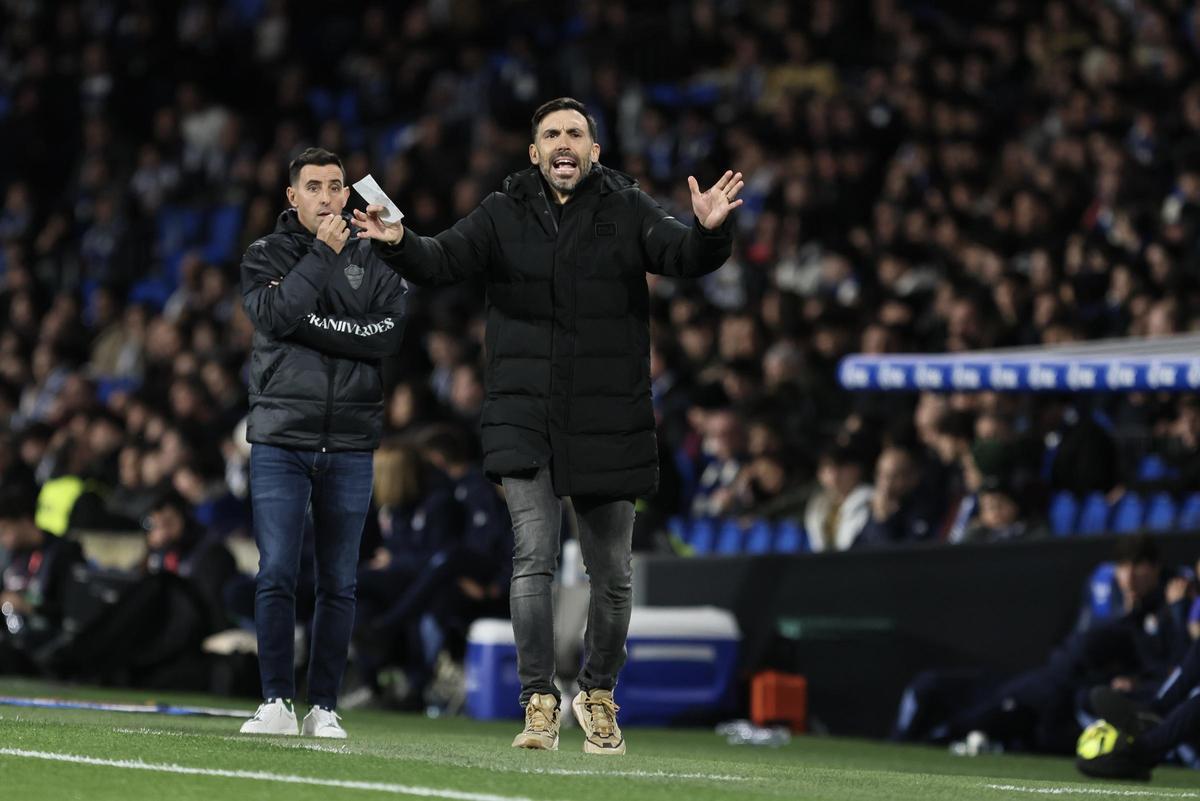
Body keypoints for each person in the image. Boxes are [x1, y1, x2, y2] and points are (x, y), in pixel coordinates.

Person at [354, 97, 742, 754]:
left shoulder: (626, 206)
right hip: (523, 414)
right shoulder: (502, 212)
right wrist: (398, 242)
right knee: (532, 559)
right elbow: (442, 257)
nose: (564, 142)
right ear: (534, 153)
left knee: (611, 572)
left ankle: (597, 692)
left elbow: (681, 255)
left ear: (594, 150)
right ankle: (539, 699)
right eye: (551, 134)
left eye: (576, 133)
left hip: (607, 416)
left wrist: (707, 231)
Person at [238, 147, 408, 738]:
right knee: (277, 571)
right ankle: (277, 702)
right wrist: (322, 257)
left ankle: (325, 707)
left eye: (336, 186)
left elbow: (388, 334)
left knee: (341, 580)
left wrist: (318, 327)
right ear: (293, 196)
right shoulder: (264, 254)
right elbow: (279, 312)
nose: (329, 197)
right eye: (314, 187)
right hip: (281, 438)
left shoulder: (377, 254)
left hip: (351, 441)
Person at [0, 483, 85, 675]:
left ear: (24, 520)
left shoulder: (63, 552)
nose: (1, 538)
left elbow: (72, 611)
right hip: (12, 637)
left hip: (48, 646)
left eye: (4, 530)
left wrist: (29, 607)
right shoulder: (10, 557)